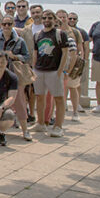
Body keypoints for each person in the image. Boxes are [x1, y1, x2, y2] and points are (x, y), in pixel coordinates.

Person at [0, 16, 33, 141]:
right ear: (1, 25)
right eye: (4, 24)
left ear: (13, 25)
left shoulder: (19, 41)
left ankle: (25, 130)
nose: (6, 26)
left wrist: (15, 56)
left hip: (14, 75)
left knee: (19, 102)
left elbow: (27, 57)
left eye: (9, 24)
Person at [30, 10, 73, 138]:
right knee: (40, 97)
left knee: (59, 98)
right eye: (44, 18)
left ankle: (58, 126)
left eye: (49, 18)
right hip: (40, 70)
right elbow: (35, 53)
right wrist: (34, 69)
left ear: (55, 20)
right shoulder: (37, 35)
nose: (46, 20)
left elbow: (65, 53)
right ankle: (40, 122)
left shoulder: (60, 34)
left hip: (54, 71)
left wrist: (60, 71)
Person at [56, 10, 85, 120]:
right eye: (59, 17)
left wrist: (77, 64)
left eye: (64, 17)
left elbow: (80, 49)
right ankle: (61, 112)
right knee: (61, 90)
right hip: (59, 66)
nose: (62, 19)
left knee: (73, 87)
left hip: (71, 64)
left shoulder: (74, 32)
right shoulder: (55, 32)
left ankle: (75, 112)